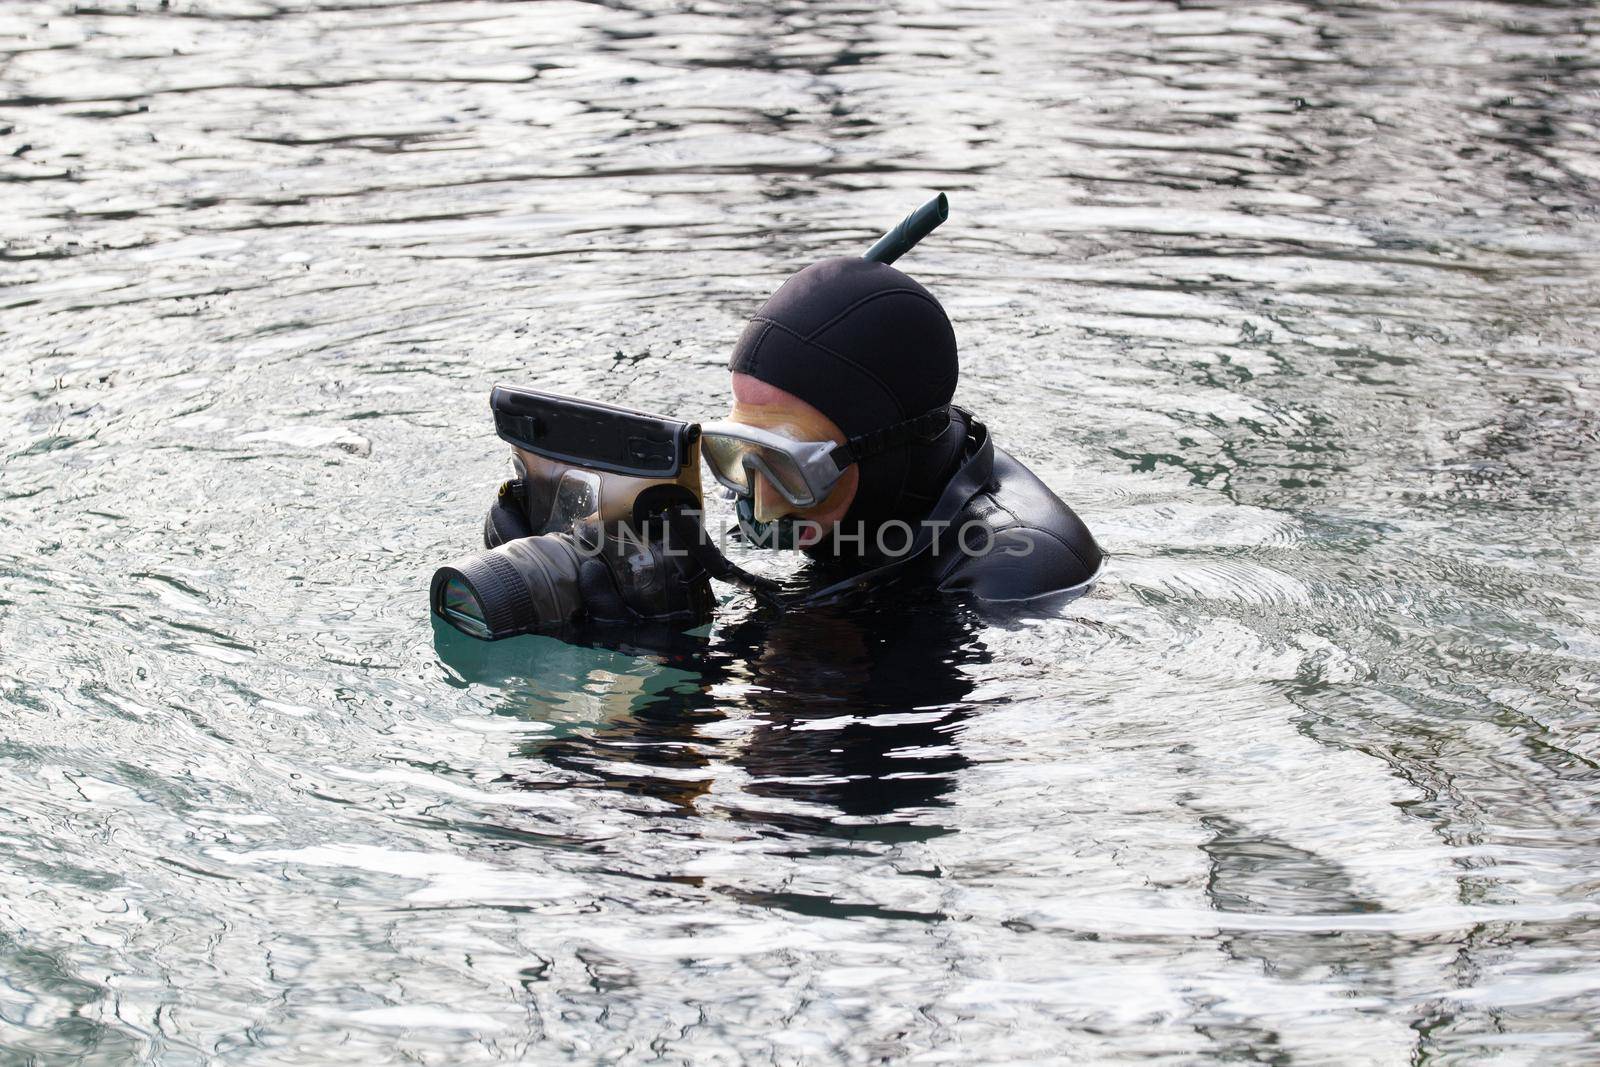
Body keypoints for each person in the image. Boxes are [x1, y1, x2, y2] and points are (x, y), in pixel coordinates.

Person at [702, 254, 1102, 603]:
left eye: (789, 463)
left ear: (878, 447)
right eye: (739, 453)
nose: (761, 505)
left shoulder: (1020, 568)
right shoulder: (807, 486)